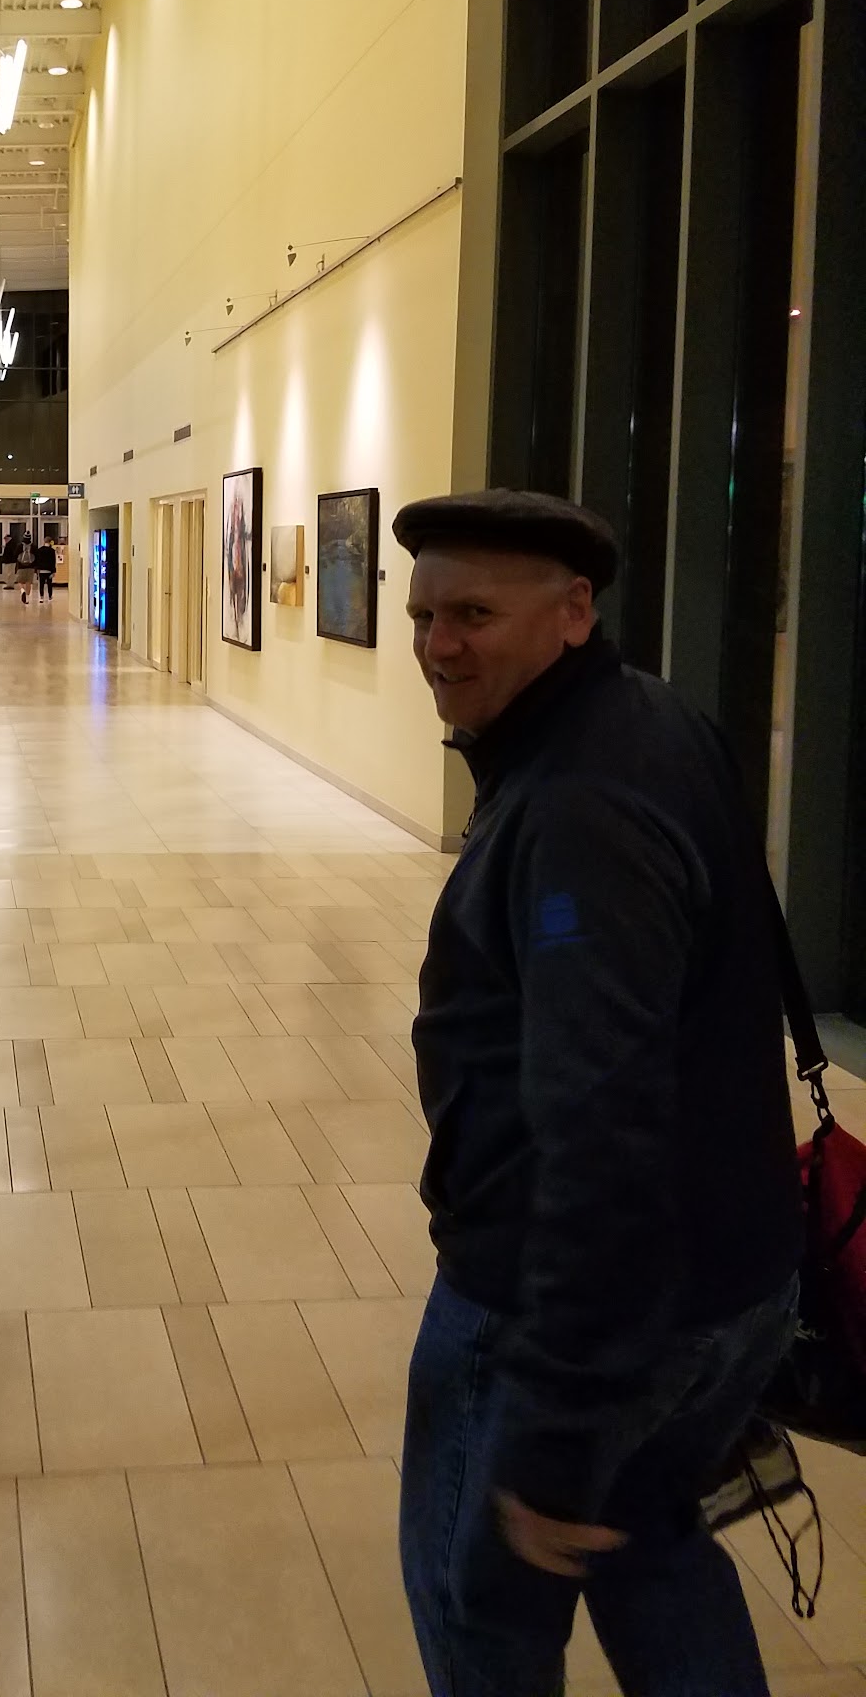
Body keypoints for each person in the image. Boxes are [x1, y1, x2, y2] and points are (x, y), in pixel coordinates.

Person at [390, 487, 801, 1697]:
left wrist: (555, 1426)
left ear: (573, 613)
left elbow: (598, 1122)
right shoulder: (651, 720)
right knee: (651, 1553)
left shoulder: (576, 806)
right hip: (733, 1277)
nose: (436, 645)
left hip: (565, 1311)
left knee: (482, 1612)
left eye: (472, 615)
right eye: (422, 615)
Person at [14, 531, 36, 603]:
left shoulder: (19, 546)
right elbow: (37, 557)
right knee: (28, 582)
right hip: (31, 567)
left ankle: (22, 590)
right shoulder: (33, 546)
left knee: (20, 581)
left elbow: (15, 555)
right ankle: (27, 598)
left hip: (21, 566)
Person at [35, 535, 58, 601]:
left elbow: (37, 560)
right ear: (50, 542)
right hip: (49, 570)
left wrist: (37, 569)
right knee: (49, 584)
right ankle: (50, 596)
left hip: (41, 570)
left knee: (41, 584)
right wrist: (54, 571)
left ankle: (41, 597)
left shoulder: (39, 550)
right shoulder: (52, 551)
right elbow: (53, 561)